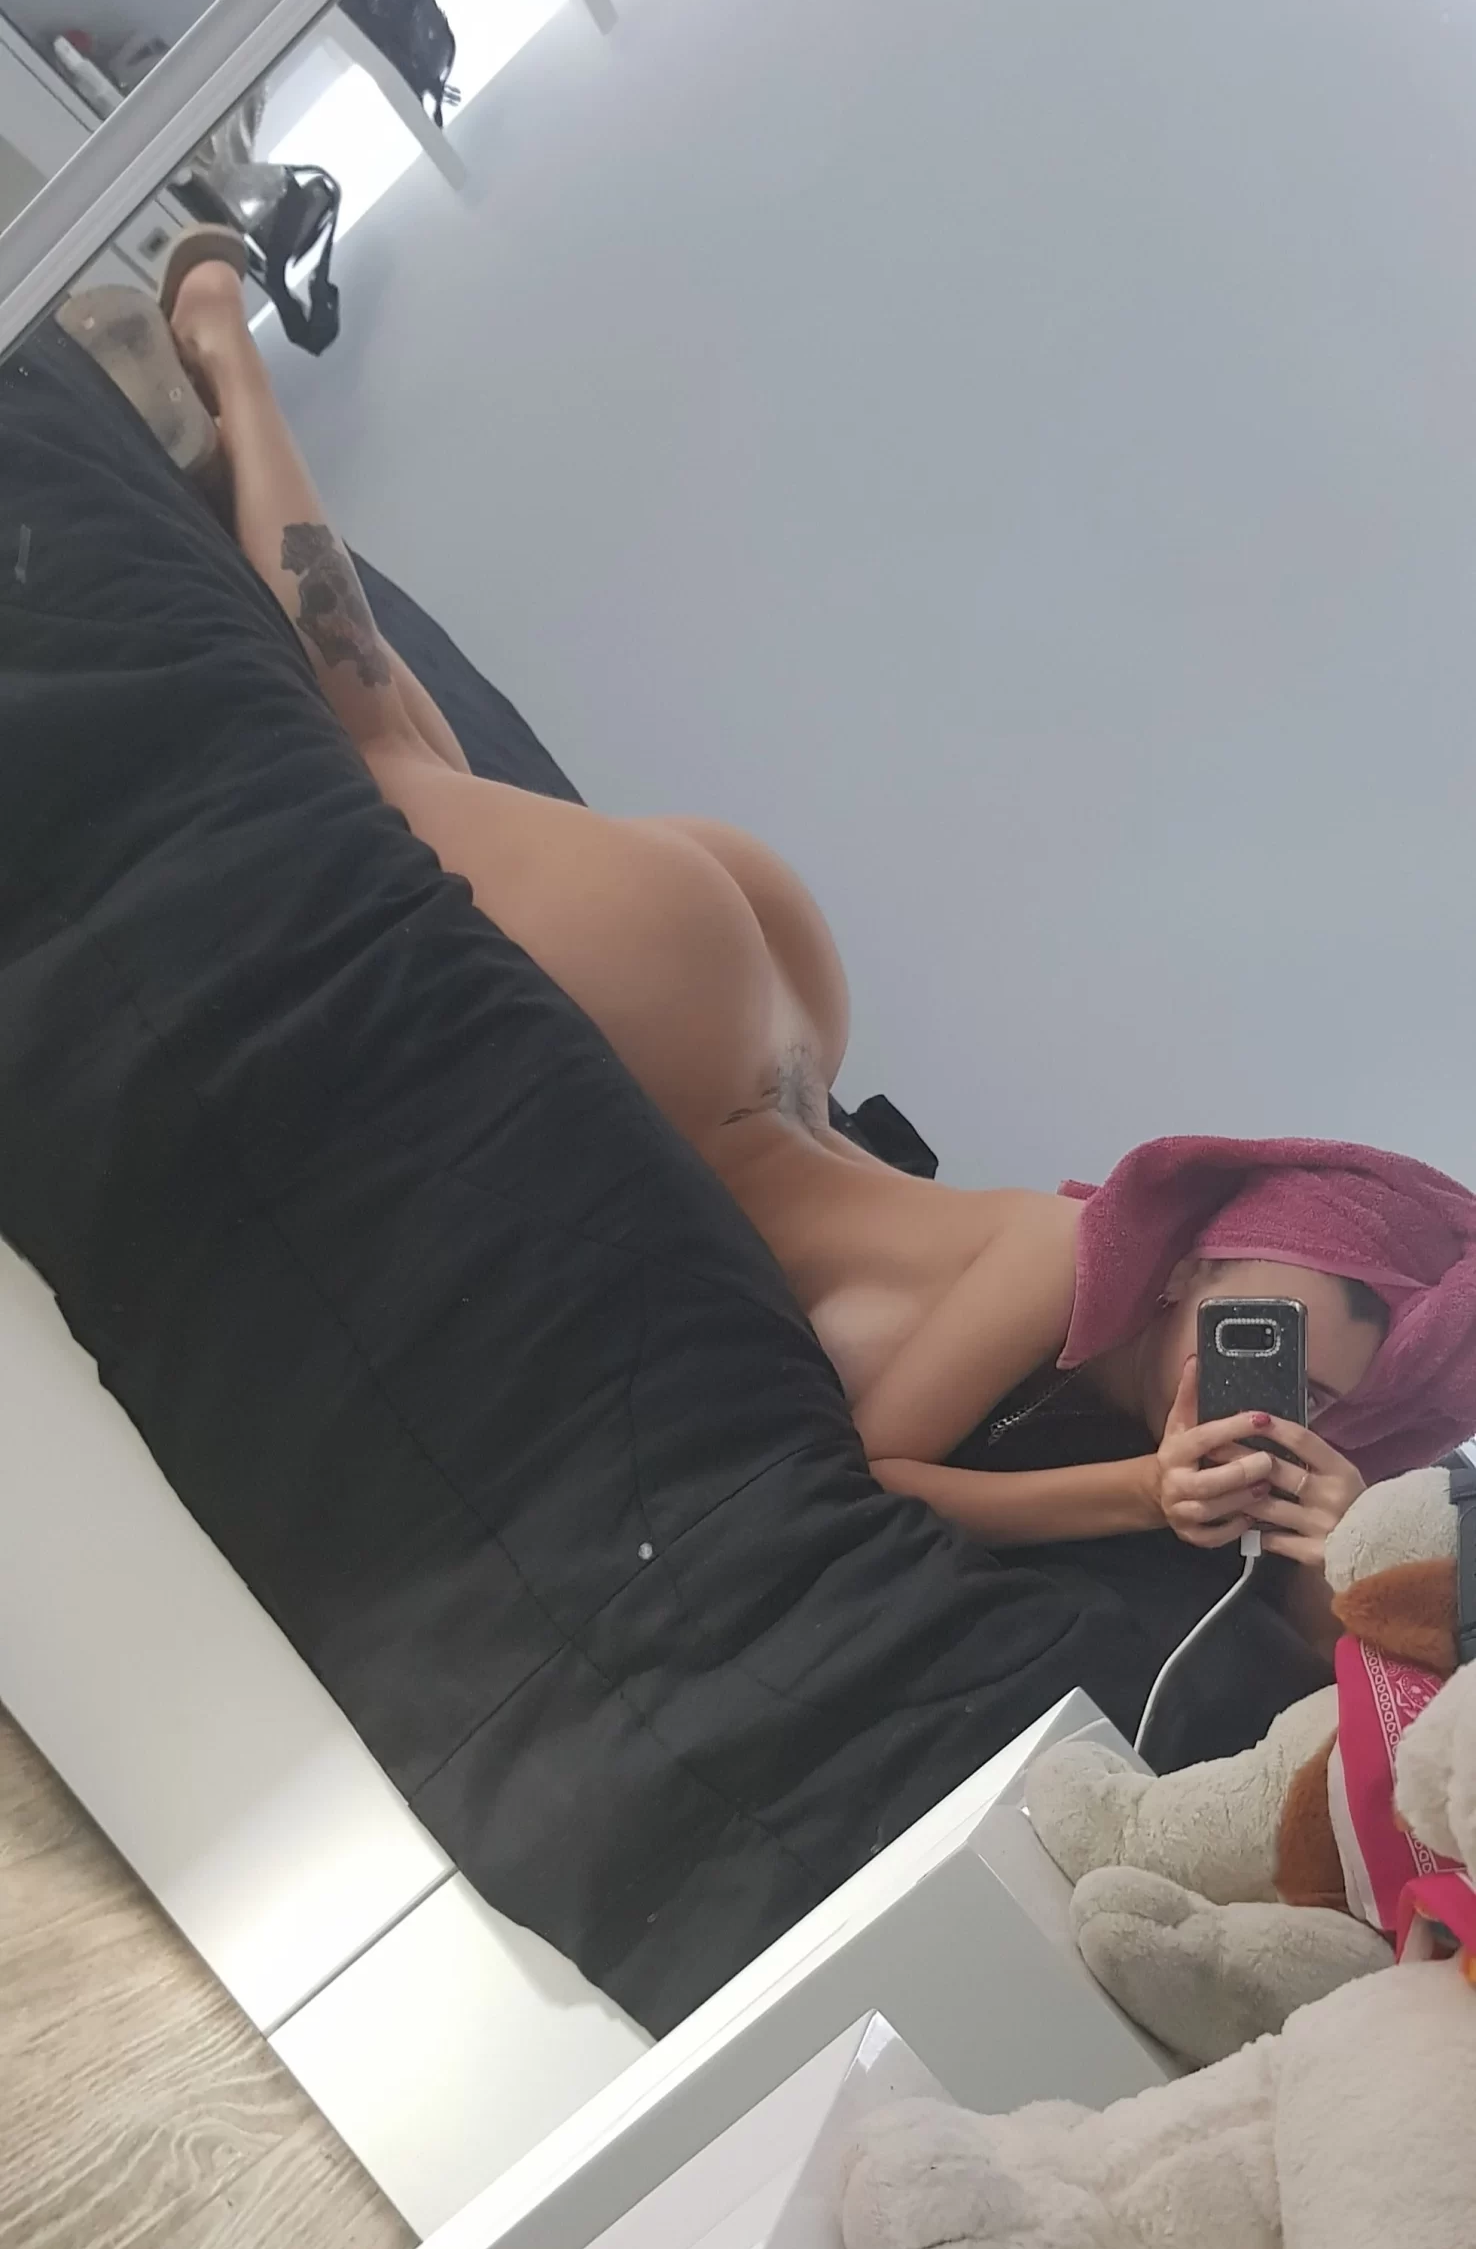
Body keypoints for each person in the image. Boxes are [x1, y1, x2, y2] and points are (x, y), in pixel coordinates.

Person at [93, 239, 1476, 1635]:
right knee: (373, 739)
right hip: (704, 1039)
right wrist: (1142, 1492)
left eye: (1318, 1403)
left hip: (771, 1046)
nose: (1268, 1403)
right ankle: (224, 347)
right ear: (1190, 1268)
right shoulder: (1064, 1256)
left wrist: (1337, 1532)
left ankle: (223, 450)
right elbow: (877, 1478)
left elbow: (1343, 1650)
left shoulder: (1109, 1387)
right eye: (1264, 1345)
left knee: (417, 754)